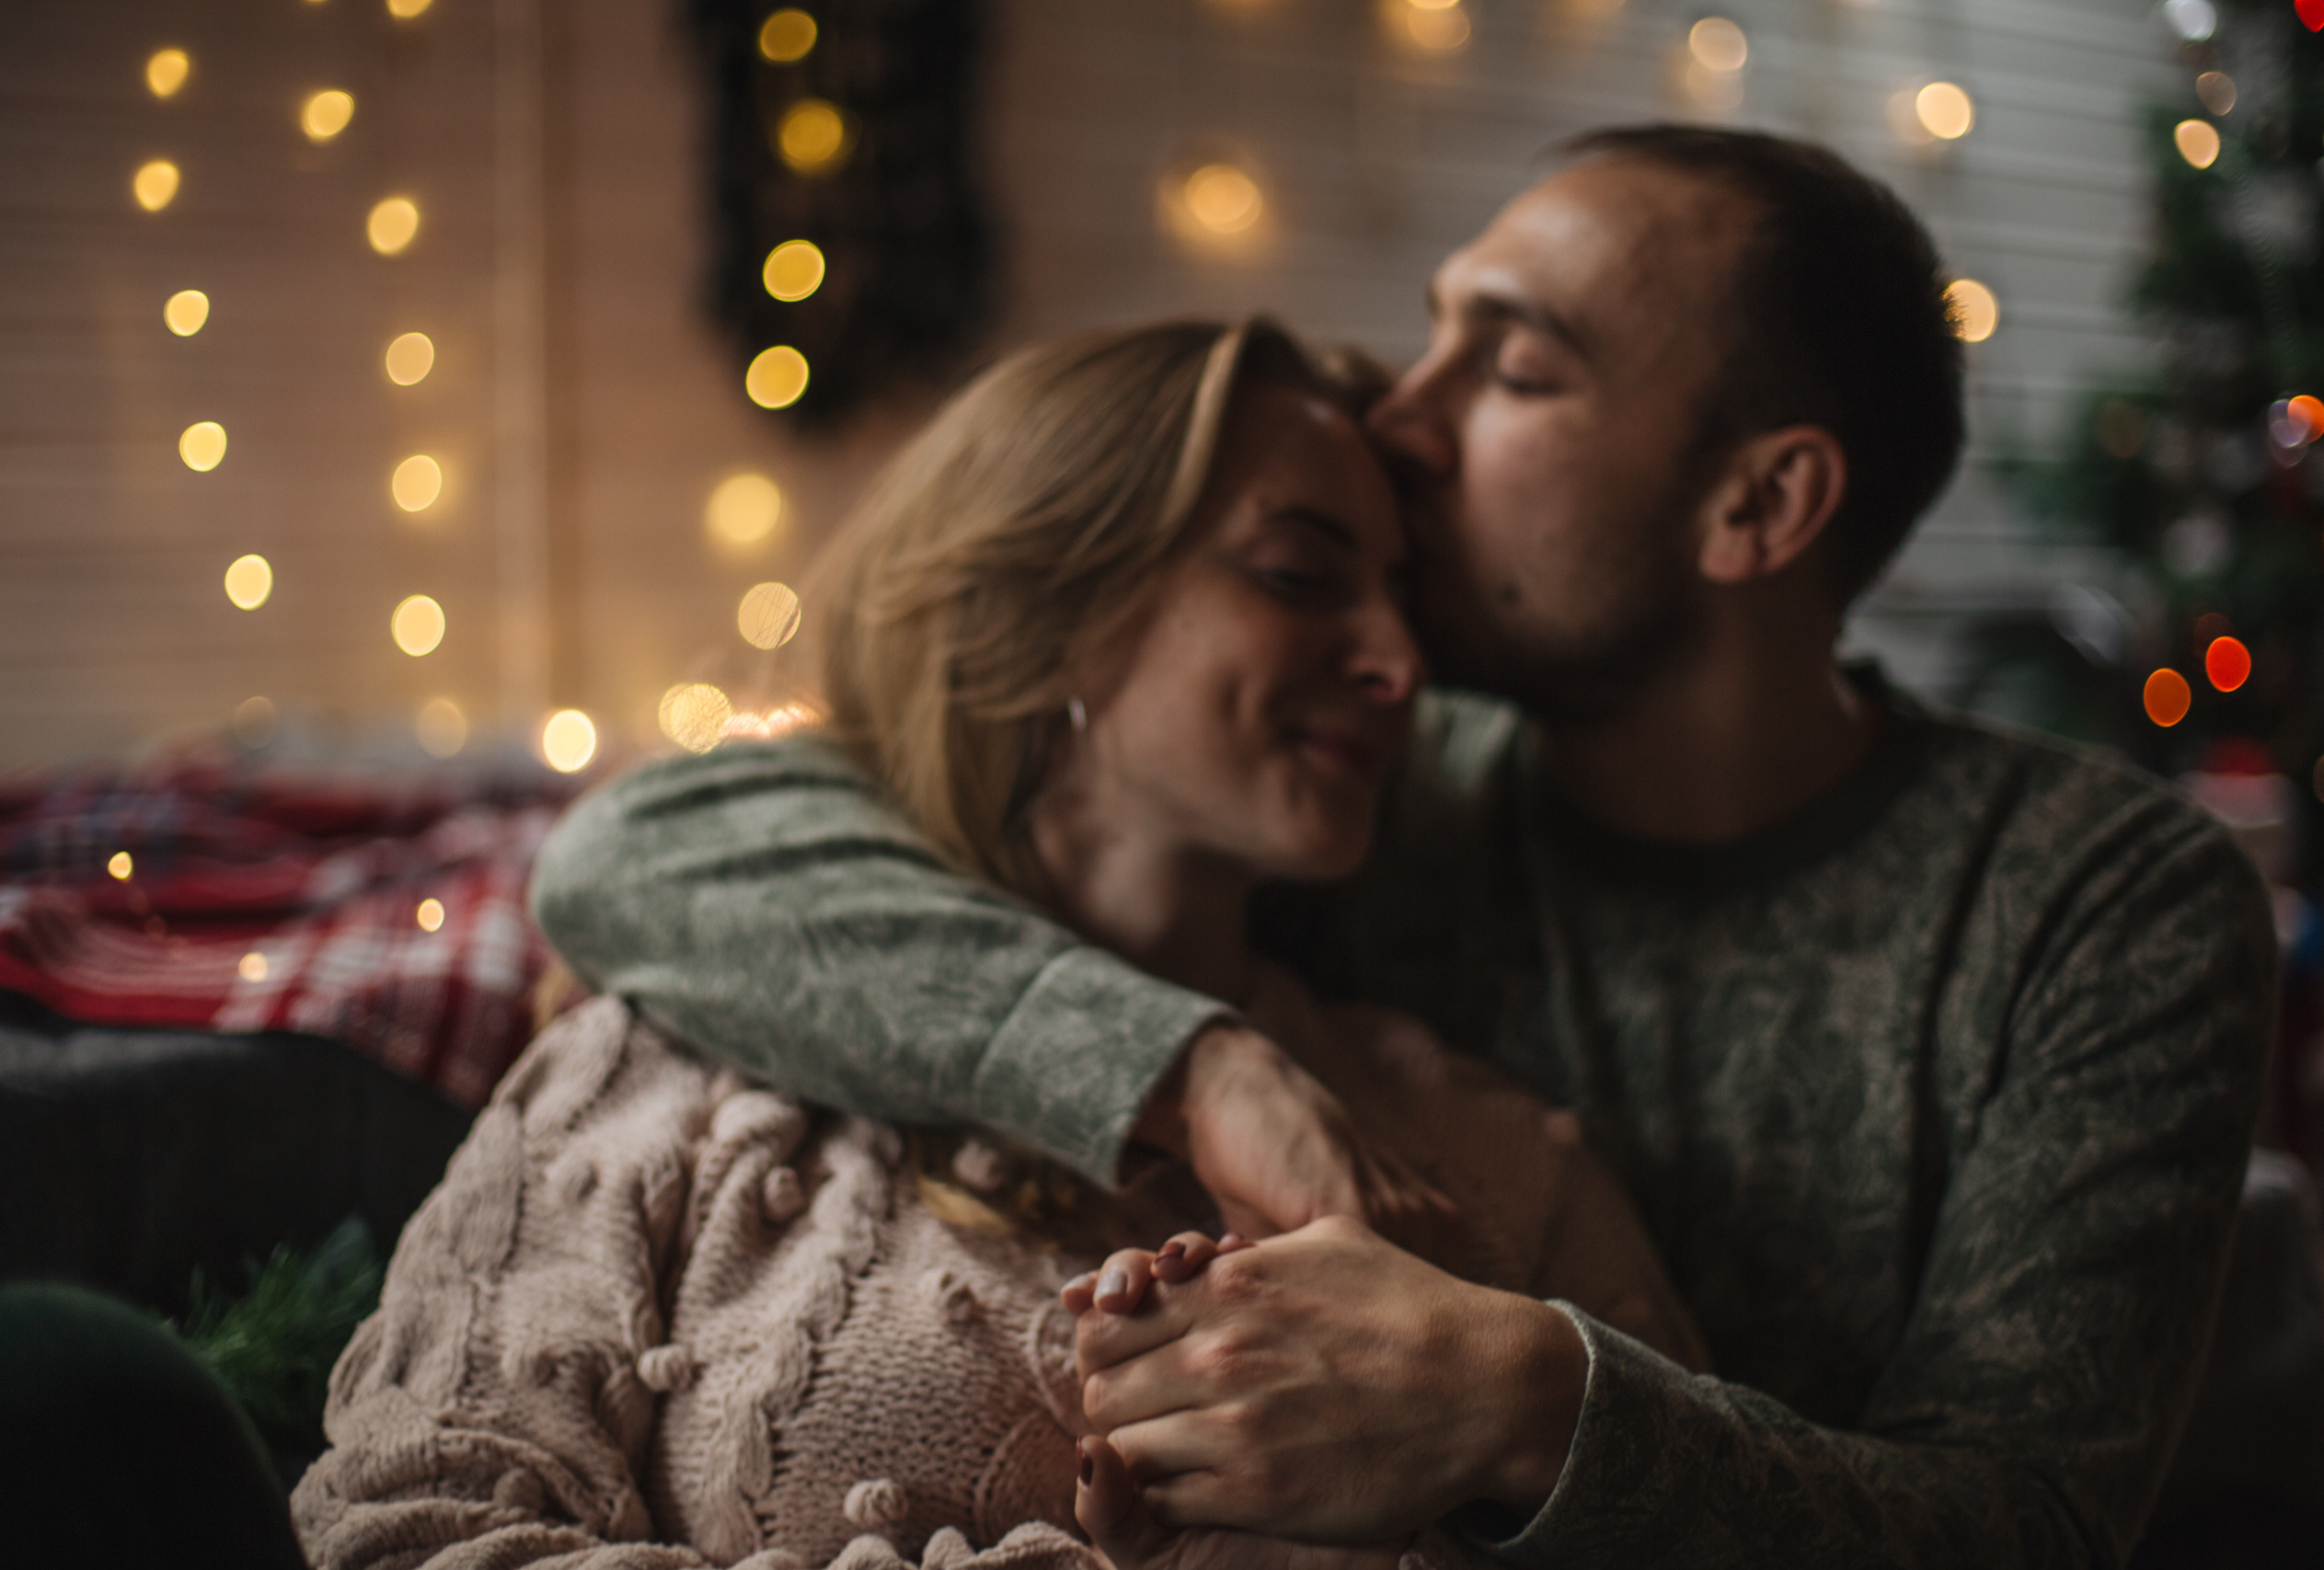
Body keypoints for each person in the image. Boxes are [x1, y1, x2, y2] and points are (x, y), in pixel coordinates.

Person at [531, 125, 2279, 1566]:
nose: (1402, 419)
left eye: (1511, 368)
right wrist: (1195, 1063)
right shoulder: (1368, 774)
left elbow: (2028, 1530)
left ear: (1760, 506)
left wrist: (1530, 1402)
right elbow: (650, 847)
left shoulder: (2101, 907)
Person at [294, 318, 1702, 1570]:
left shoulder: (1495, 1172)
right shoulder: (665, 1053)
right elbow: (404, 1529)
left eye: (1407, 608)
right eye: (1297, 573)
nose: (1398, 664)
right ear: (1047, 608)